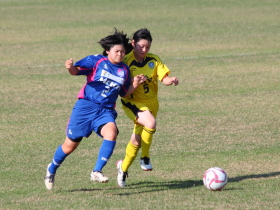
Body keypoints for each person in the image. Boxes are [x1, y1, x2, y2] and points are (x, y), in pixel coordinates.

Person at [44, 28, 146, 190]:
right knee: (70, 146)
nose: (120, 54)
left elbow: (124, 93)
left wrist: (134, 84)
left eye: (123, 52)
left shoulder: (124, 70)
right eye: (117, 51)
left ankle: (96, 171)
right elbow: (75, 71)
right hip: (85, 107)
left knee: (111, 133)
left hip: (105, 110)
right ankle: (52, 169)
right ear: (108, 51)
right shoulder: (96, 61)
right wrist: (69, 67)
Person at [116, 28, 179, 187]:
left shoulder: (154, 60)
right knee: (150, 123)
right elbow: (121, 88)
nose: (144, 50)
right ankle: (145, 158)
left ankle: (123, 168)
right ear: (133, 43)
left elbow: (163, 78)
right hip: (133, 102)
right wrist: (134, 82)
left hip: (152, 102)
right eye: (141, 46)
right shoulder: (126, 62)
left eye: (148, 47)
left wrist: (170, 80)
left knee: (136, 140)